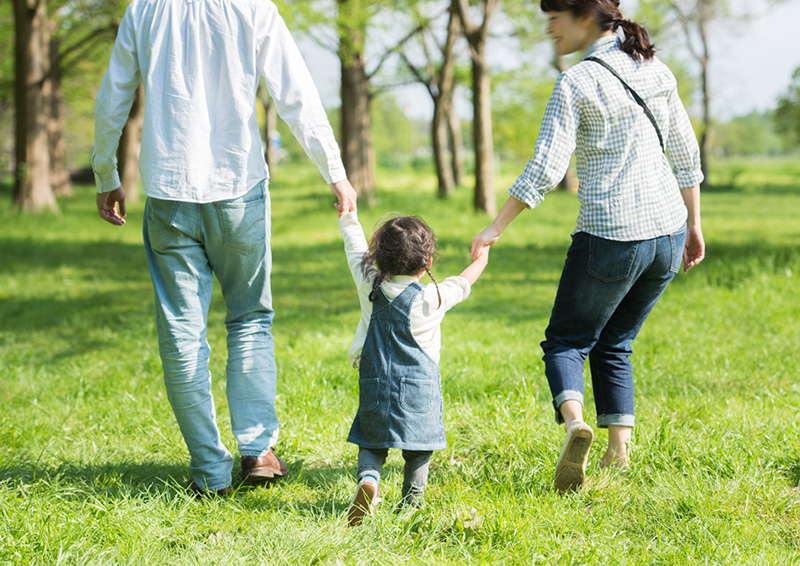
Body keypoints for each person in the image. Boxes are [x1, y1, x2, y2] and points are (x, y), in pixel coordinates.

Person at [92, 0, 357, 496]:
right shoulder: (253, 7)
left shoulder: (143, 10)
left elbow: (113, 95)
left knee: (180, 330)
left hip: (168, 191)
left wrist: (106, 173)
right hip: (239, 187)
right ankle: (257, 450)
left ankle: (209, 469)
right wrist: (335, 173)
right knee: (250, 318)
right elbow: (296, 91)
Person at [471, 0, 705, 493]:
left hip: (611, 236)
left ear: (585, 18)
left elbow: (545, 168)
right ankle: (617, 453)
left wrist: (495, 227)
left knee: (567, 341)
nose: (549, 28)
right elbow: (685, 151)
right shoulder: (653, 66)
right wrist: (694, 225)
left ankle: (576, 423)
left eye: (555, 16)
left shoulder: (575, 82)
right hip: (666, 233)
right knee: (616, 342)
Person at [337, 207, 489, 525]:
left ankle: (369, 480)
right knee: (420, 447)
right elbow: (462, 283)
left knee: (371, 439)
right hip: (420, 390)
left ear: (377, 258)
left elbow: (354, 250)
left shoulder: (370, 286)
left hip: (376, 384)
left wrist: (348, 217)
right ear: (428, 263)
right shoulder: (432, 297)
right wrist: (481, 260)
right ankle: (412, 499)